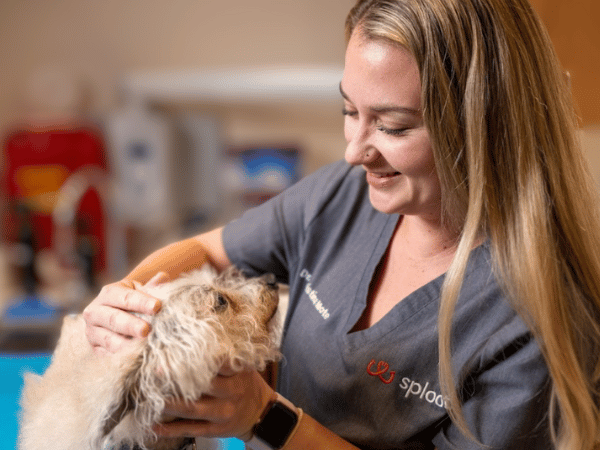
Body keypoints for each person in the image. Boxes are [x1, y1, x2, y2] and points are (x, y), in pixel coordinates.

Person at [83, 0, 600, 448]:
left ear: (485, 123)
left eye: (393, 126)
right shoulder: (342, 196)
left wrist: (264, 418)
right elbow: (210, 250)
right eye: (350, 110)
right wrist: (128, 302)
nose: (355, 151)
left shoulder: (539, 319)